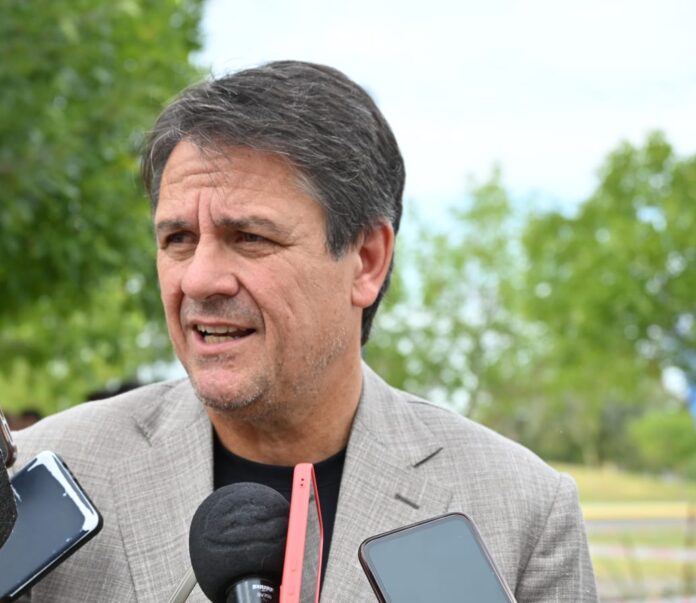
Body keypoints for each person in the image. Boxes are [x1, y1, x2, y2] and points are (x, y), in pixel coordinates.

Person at [13, 61, 597, 601]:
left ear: (366, 260)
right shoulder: (43, 479)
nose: (200, 279)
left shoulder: (522, 510)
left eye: (250, 238)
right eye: (178, 239)